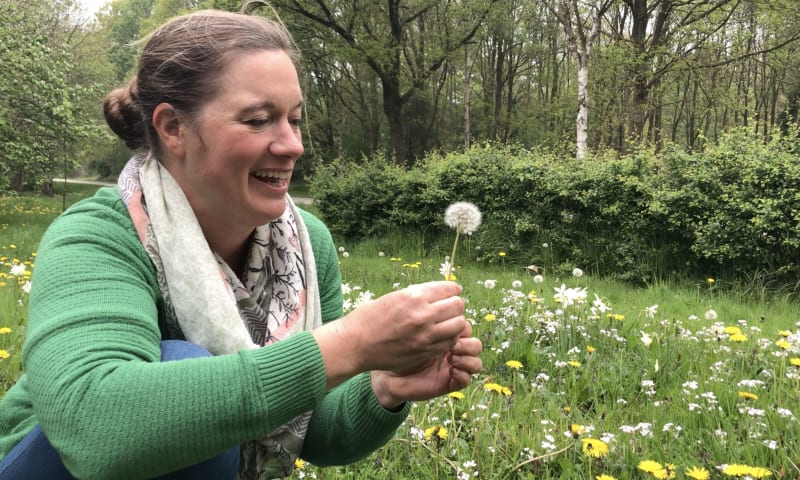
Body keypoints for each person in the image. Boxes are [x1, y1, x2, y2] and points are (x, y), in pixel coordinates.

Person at [0, 8, 482, 480]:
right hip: (34, 463)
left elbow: (313, 428)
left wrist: (383, 386)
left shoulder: (307, 243)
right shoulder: (101, 234)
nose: (292, 144)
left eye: (294, 119)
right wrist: (347, 346)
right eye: (258, 120)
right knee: (183, 365)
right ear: (173, 128)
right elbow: (96, 428)